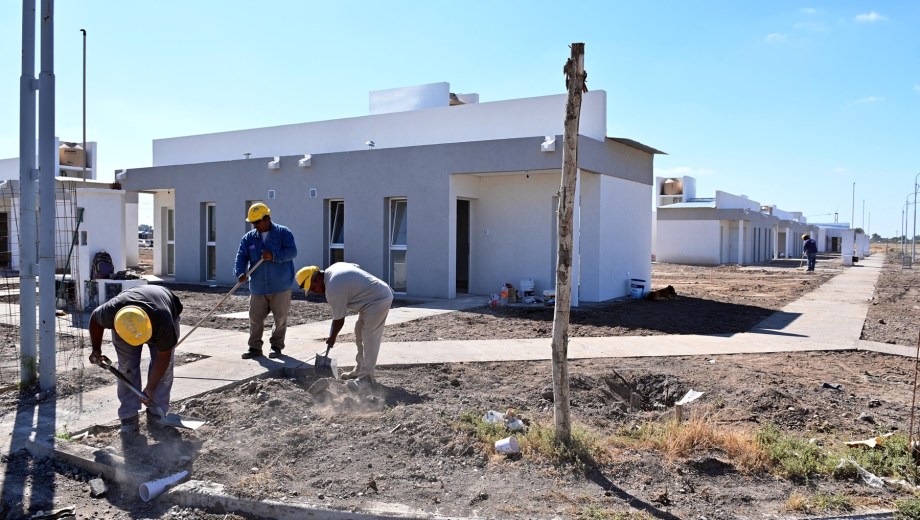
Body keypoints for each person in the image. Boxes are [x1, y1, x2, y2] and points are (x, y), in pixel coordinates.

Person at [88, 285, 183, 434]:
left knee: (164, 371)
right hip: (126, 321)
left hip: (161, 311)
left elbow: (163, 358)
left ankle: (157, 413)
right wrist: (96, 349)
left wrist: (150, 388)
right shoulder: (111, 312)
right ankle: (128, 416)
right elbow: (95, 318)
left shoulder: (164, 323)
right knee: (126, 368)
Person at [296, 263, 394, 380]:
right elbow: (355, 266)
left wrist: (332, 338)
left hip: (378, 300)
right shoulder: (334, 268)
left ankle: (366, 378)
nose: (314, 292)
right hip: (370, 300)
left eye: (312, 288)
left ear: (317, 278)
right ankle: (359, 370)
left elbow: (339, 320)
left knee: (369, 338)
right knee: (359, 333)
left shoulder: (333, 288)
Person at [235, 203, 298, 359]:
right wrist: (240, 272)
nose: (255, 226)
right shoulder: (249, 238)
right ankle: (254, 348)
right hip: (258, 287)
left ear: (267, 218)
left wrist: (274, 255)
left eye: (257, 222)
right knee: (255, 318)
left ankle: (276, 346)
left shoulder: (284, 233)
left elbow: (292, 252)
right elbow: (241, 257)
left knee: (280, 318)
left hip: (280, 286)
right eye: (253, 223)